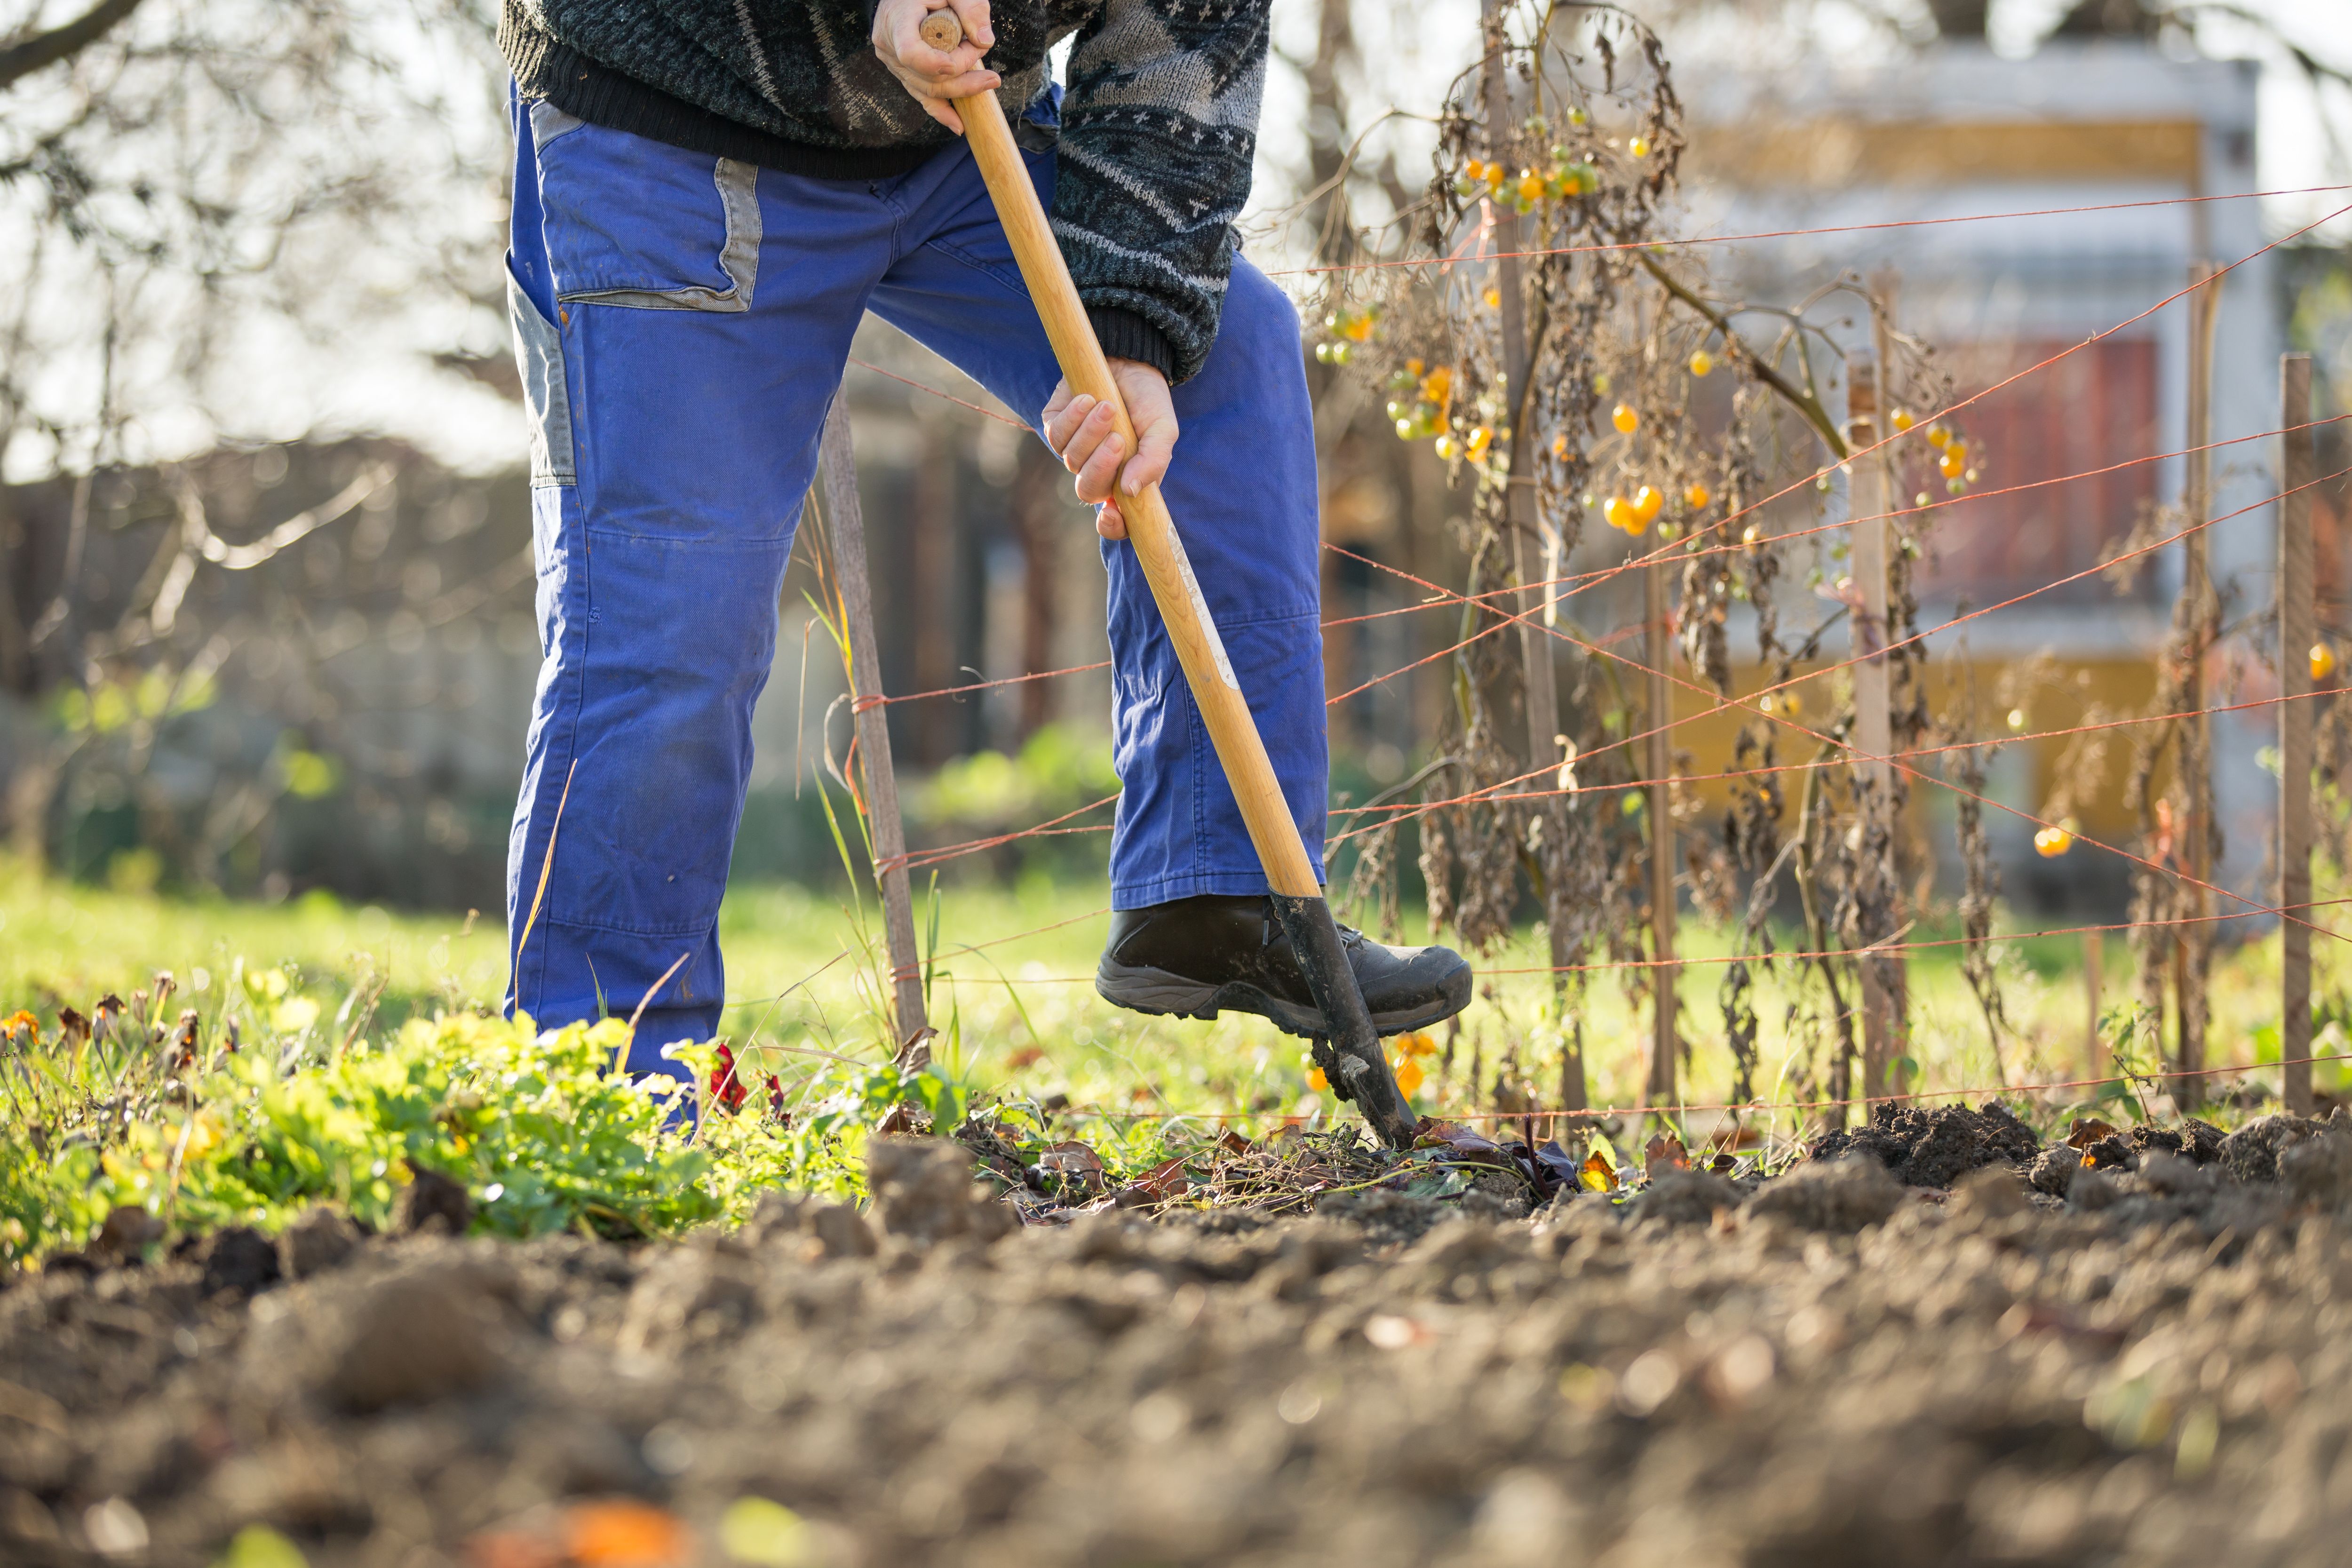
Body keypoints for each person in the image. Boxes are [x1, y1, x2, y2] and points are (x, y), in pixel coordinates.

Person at [497, 0, 1471, 1078]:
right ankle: (599, 1095)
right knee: (670, 627)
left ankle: (1217, 888)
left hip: (956, 136)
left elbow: (1185, 33)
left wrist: (1136, 326)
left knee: (1225, 360)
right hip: (678, 129)